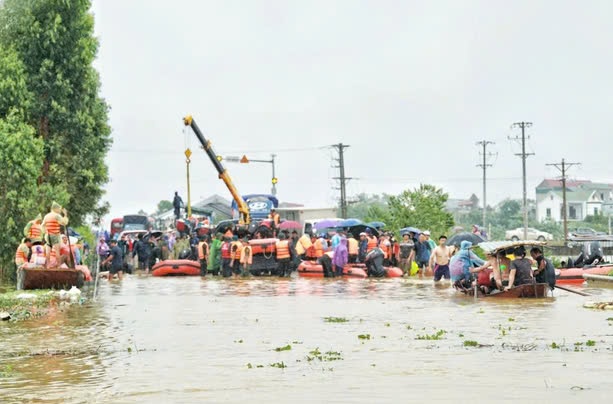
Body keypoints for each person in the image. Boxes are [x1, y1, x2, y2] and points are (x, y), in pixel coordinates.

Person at [42, 202, 69, 269]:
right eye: (59, 209)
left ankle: (48, 265)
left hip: (47, 235)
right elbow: (64, 223)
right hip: (55, 234)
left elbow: (43, 225)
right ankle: (59, 265)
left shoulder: (46, 216)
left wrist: (45, 232)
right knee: (57, 250)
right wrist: (65, 215)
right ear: (56, 209)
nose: (59, 211)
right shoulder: (57, 215)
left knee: (48, 250)